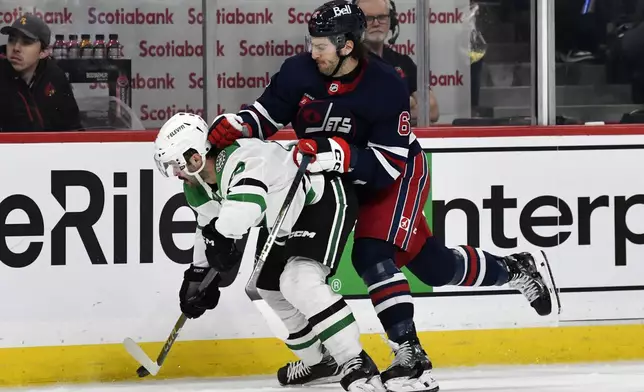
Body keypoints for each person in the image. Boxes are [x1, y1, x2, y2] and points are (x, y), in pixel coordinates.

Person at [206, 2, 557, 392]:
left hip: (396, 172)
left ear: (347, 46)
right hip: (335, 178)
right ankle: (515, 268)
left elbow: (387, 164)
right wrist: (239, 124)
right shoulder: (298, 71)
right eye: (312, 43)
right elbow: (266, 116)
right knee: (433, 268)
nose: (313, 52)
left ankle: (410, 355)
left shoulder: (387, 83)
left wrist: (337, 153)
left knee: (371, 253)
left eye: (322, 45)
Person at [153, 112, 385, 392]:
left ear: (194, 156)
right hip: (281, 218)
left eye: (175, 164)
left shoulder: (241, 157)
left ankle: (355, 360)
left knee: (299, 280)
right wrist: (197, 275)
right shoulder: (197, 186)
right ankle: (321, 361)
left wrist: (220, 235)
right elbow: (207, 226)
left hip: (320, 200)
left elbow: (246, 207)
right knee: (269, 288)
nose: (175, 173)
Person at [356, 0, 439, 123]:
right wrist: (408, 102)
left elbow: (431, 110)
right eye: (368, 18)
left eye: (382, 17)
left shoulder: (403, 62)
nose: (376, 23)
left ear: (391, 21)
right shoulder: (348, 62)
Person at [0, 15, 81, 131]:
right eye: (12, 39)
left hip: (50, 148)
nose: (16, 48)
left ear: (43, 52)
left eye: (26, 42)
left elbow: (73, 128)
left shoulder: (55, 76)